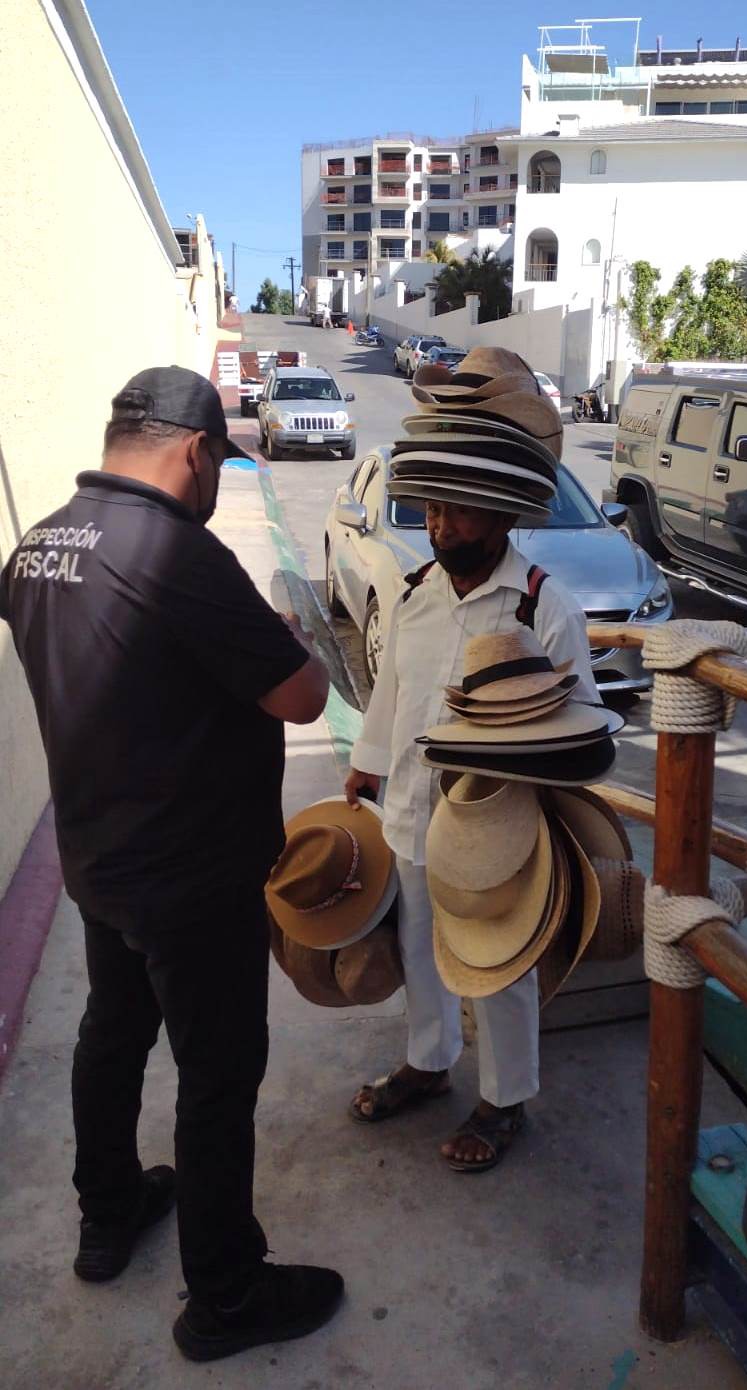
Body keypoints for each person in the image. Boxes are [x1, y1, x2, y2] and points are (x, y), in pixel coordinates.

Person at [0, 366, 344, 1361]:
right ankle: (227, 1294)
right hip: (194, 875)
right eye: (217, 466)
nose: (215, 485)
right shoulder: (179, 555)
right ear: (193, 451)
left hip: (96, 857)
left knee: (112, 1034)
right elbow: (304, 696)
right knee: (218, 1074)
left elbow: (121, 664)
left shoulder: (38, 545)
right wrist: (277, 645)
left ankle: (108, 1216)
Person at [344, 498, 596, 1171]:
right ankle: (428, 1063)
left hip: (496, 829)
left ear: (503, 519)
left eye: (461, 515)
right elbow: (390, 692)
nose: (441, 527)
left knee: (497, 964)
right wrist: (367, 766)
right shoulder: (415, 592)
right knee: (419, 944)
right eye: (432, 511)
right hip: (409, 808)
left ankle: (504, 1100)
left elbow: (583, 722)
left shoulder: (543, 606)